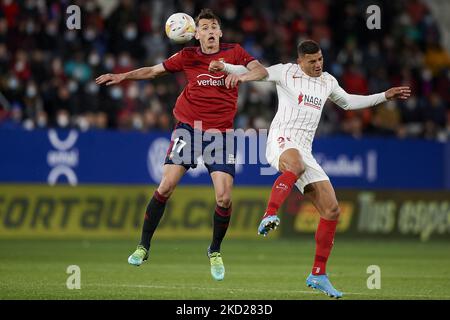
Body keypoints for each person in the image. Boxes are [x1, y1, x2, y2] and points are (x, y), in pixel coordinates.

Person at [209, 39, 410, 297]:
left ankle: (318, 274)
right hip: (281, 141)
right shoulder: (286, 71)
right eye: (312, 61)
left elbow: (348, 102)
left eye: (320, 59)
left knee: (332, 209)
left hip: (305, 150)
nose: (318, 65)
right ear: (300, 60)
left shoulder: (327, 81)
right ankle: (269, 213)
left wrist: (384, 95)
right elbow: (259, 72)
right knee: (296, 164)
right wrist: (225, 67)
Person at [96, 9, 266, 281]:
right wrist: (122, 76)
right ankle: (143, 246)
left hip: (221, 134)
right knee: (165, 186)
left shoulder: (235, 53)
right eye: (205, 28)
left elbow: (261, 71)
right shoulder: (188, 56)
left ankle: (214, 250)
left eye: (214, 27)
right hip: (188, 129)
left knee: (224, 197)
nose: (210, 31)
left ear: (220, 32)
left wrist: (241, 76)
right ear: (195, 34)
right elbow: (152, 71)